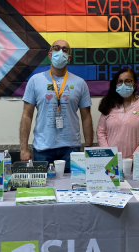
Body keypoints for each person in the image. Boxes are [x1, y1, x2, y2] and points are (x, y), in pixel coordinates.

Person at [20, 40, 93, 173]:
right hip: (43, 148)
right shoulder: (35, 81)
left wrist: (88, 148)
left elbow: (86, 117)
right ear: (49, 54)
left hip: (71, 149)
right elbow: (26, 115)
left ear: (69, 58)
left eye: (65, 50)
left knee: (73, 190)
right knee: (43, 192)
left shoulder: (80, 83)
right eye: (56, 48)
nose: (60, 52)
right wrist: (23, 148)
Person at [96, 68, 139, 159]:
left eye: (127, 81)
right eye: (120, 81)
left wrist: (135, 157)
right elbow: (100, 132)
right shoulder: (109, 104)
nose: (123, 84)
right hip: (111, 161)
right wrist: (109, 154)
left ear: (135, 84)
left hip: (136, 162)